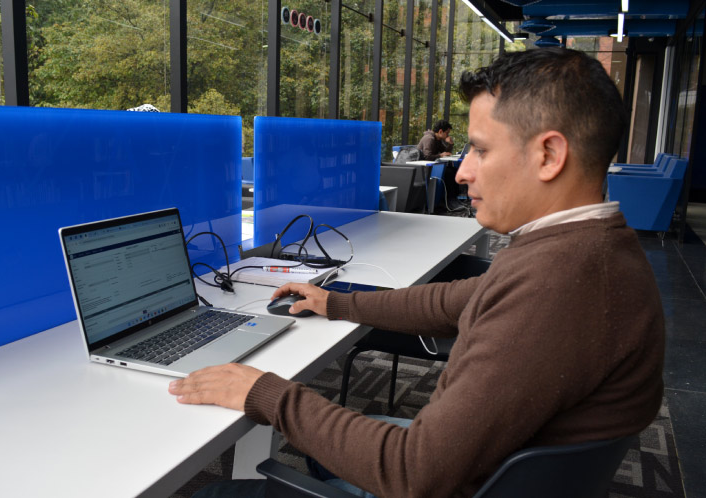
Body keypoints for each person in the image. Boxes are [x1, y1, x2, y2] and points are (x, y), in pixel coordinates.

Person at [168, 48, 665, 498]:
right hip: (489, 466)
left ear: (549, 155)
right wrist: (335, 301)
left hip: (444, 479)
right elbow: (451, 300)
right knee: (327, 438)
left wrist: (262, 392)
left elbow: (412, 472)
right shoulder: (588, 249)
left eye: (481, 150)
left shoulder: (561, 284)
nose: (464, 171)